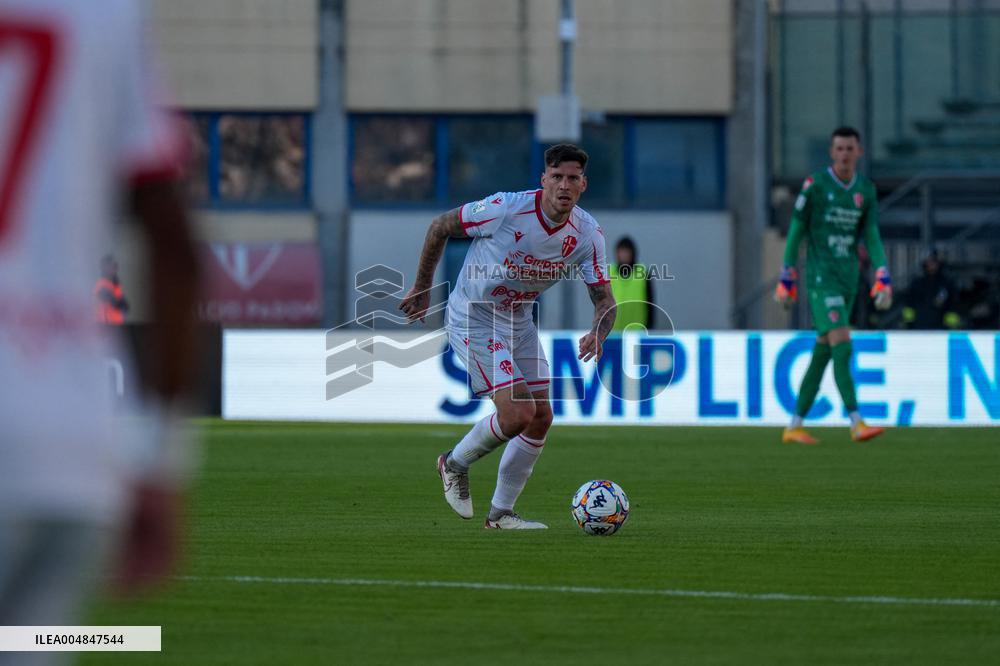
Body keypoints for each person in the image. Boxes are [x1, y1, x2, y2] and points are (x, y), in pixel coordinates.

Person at [0, 0, 199, 650]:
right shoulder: (106, 13)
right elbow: (176, 245)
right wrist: (162, 460)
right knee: (28, 645)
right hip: (65, 450)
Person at [399, 144, 616, 529]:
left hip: (518, 319)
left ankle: (500, 514)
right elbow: (440, 226)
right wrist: (422, 286)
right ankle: (452, 464)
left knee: (541, 418)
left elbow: (605, 300)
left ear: (583, 184)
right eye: (557, 177)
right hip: (474, 316)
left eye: (572, 179)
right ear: (543, 180)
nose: (563, 185)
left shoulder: (588, 234)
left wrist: (599, 333)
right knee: (517, 414)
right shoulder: (505, 209)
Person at [775, 127, 890, 445]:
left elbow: (872, 235)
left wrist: (882, 272)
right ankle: (856, 421)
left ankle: (794, 425)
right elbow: (797, 228)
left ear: (859, 152)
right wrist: (787, 273)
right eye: (839, 148)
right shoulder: (816, 185)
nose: (844, 154)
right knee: (843, 340)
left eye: (850, 148)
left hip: (848, 277)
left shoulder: (865, 190)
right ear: (831, 152)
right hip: (821, 278)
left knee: (823, 352)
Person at [901, 247, 960, 330]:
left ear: (939, 263)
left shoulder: (947, 284)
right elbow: (909, 305)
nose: (931, 265)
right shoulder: (917, 283)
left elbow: (953, 306)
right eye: (928, 262)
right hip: (918, 329)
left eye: (933, 262)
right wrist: (908, 324)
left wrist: (950, 327)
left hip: (941, 330)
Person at [610, 236, 656, 331]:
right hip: (612, 333)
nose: (624, 255)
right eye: (621, 252)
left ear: (633, 253)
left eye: (626, 252)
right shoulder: (608, 272)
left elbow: (650, 304)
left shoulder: (643, 273)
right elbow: (601, 302)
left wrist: (648, 328)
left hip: (637, 332)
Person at [95, 254, 130, 325]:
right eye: (111, 266)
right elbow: (115, 302)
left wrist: (122, 303)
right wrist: (121, 303)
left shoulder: (115, 285)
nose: (114, 268)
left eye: (115, 266)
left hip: (117, 325)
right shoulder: (101, 284)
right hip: (105, 325)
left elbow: (125, 306)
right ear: (104, 268)